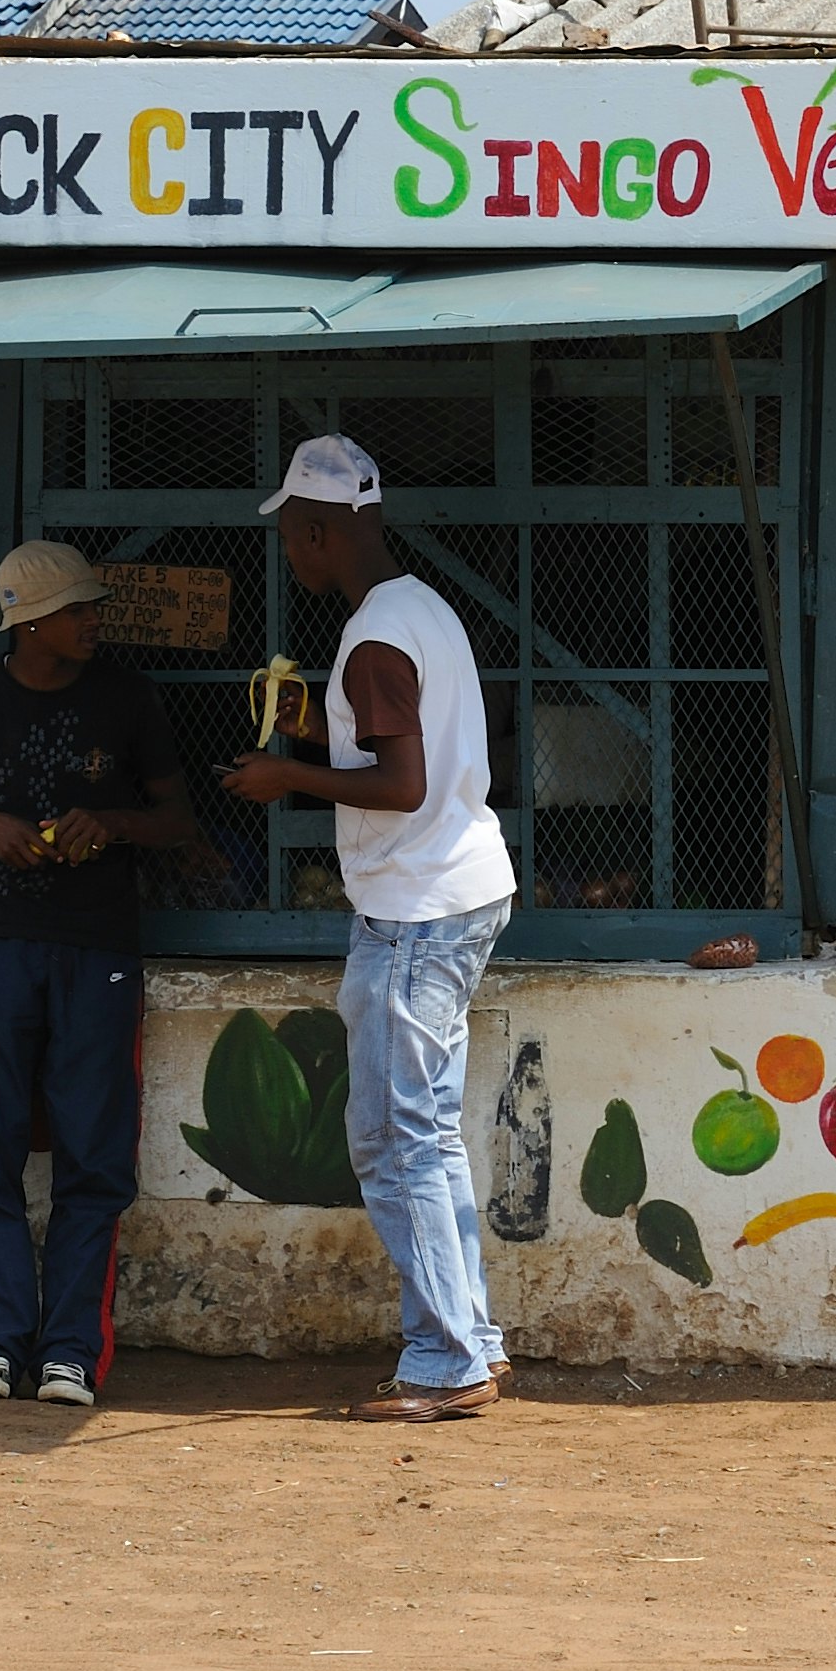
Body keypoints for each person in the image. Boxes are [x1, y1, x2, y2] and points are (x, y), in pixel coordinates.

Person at [214, 435, 521, 1422]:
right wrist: (318, 731)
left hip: (414, 912)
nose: (288, 552)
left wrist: (284, 775)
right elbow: (404, 749)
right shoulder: (420, 609)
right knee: (422, 1136)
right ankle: (467, 1340)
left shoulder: (376, 638)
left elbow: (401, 784)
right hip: (454, 892)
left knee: (396, 1143)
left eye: (292, 535)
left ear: (317, 531)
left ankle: (446, 1362)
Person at [0, 541, 195, 1408]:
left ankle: (70, 1351)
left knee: (94, 1155)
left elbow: (177, 820)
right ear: (28, 623)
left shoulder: (128, 697)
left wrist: (111, 823)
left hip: (99, 949)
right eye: (77, 610)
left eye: (92, 606)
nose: (94, 619)